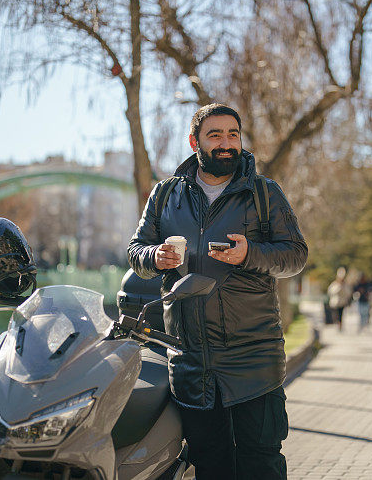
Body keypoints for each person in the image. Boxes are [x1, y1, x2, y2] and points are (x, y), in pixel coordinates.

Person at [128, 103, 308, 480]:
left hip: (254, 358)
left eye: (233, 135)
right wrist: (154, 256)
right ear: (195, 141)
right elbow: (135, 250)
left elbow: (294, 255)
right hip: (191, 360)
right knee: (210, 465)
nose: (226, 144)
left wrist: (250, 254)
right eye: (215, 135)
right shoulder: (165, 196)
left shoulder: (264, 194)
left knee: (261, 462)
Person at [327, 267, 351, 332]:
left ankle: (340, 325)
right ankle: (337, 324)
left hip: (342, 302)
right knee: (336, 315)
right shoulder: (334, 284)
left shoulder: (346, 285)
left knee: (341, 315)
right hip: (335, 303)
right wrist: (338, 287)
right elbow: (331, 292)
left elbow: (348, 293)